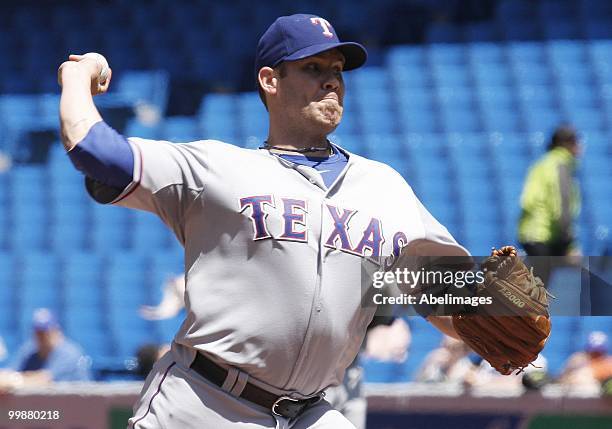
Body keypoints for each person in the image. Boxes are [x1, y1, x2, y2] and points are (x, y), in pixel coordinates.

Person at [57, 13, 468, 428]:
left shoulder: (383, 187)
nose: (332, 81)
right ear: (270, 80)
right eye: (313, 68)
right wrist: (78, 75)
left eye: (338, 70)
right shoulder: (217, 168)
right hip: (204, 402)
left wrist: (497, 322)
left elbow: (449, 298)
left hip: (310, 411)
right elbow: (96, 151)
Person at [518, 125, 581, 284]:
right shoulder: (560, 165)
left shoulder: (542, 164)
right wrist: (569, 243)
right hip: (544, 233)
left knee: (537, 286)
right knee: (539, 290)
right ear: (567, 144)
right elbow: (563, 205)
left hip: (530, 231)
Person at [0, 308, 91, 392]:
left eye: (46, 332)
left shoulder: (69, 352)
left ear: (56, 330)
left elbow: (44, 380)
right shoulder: (30, 349)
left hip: (77, 403)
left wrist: (15, 380)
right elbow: (8, 372)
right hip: (49, 404)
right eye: (38, 332)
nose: (42, 336)